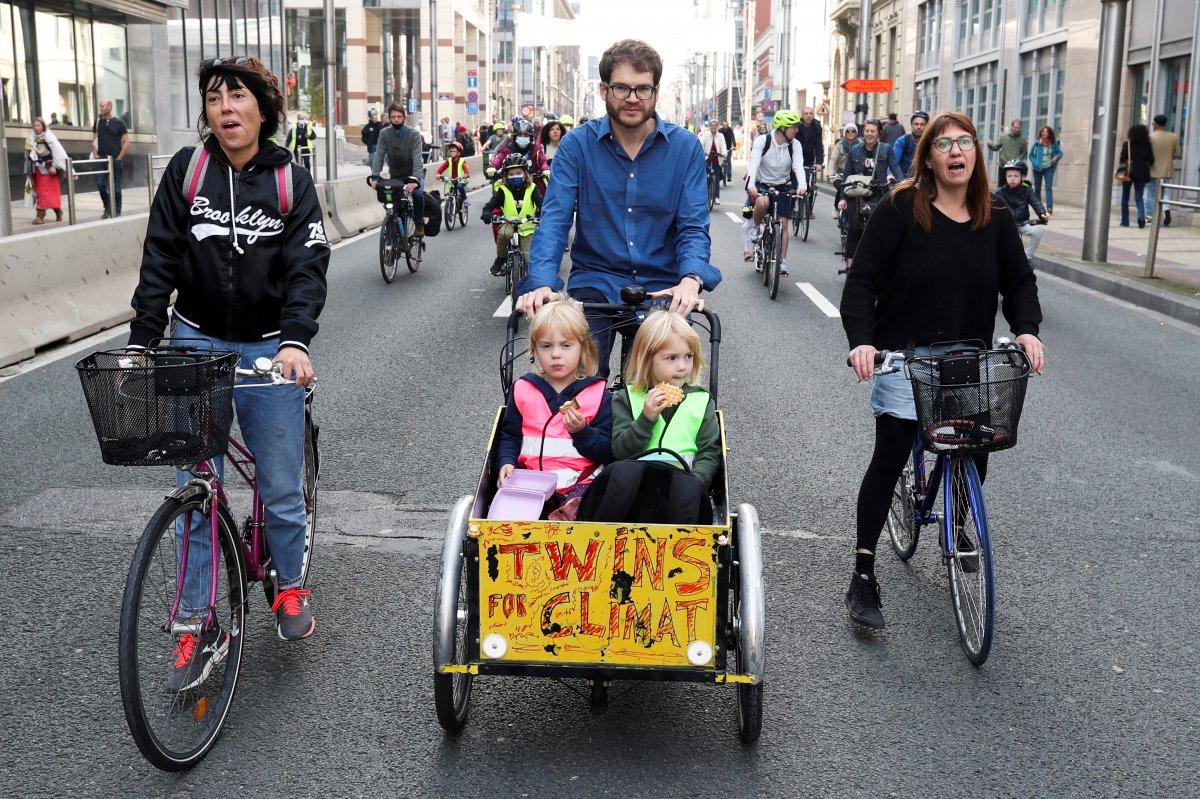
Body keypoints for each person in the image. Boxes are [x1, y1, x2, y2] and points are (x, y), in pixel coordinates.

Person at [129, 57, 331, 677]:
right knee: (199, 494)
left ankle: (289, 584)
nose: (226, 108)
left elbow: (306, 269)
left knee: (278, 487)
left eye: (238, 97)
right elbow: (160, 253)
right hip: (195, 341)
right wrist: (145, 338)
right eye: (215, 99)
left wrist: (296, 341)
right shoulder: (187, 172)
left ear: (262, 110)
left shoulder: (291, 183)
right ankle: (194, 615)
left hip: (270, 348)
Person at [840, 111, 1045, 630]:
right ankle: (864, 573)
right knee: (890, 453)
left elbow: (1019, 283)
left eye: (966, 143)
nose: (956, 152)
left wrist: (1026, 329)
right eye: (944, 144)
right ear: (928, 157)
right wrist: (863, 342)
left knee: (976, 445)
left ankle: (959, 514)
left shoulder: (994, 217)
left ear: (977, 155)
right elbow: (862, 282)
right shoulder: (900, 210)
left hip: (968, 356)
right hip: (904, 356)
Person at [517, 39, 720, 377]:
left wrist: (690, 279)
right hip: (595, 279)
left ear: (656, 91)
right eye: (622, 88)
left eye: (643, 89)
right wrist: (541, 283)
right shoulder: (576, 146)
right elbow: (554, 220)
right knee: (576, 380)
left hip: (661, 284)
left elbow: (693, 226)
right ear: (603, 89)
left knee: (663, 390)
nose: (632, 99)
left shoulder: (684, 148)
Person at [496, 299, 612, 511]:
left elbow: (608, 451)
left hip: (580, 482)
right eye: (546, 346)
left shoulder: (598, 394)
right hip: (529, 480)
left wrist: (582, 432)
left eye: (566, 346)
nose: (556, 354)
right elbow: (510, 435)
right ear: (535, 350)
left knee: (594, 495)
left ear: (582, 348)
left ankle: (570, 511)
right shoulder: (523, 389)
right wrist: (506, 461)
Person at [611, 310, 721, 491]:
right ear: (647, 360)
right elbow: (621, 452)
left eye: (688, 356)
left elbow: (709, 452)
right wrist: (646, 419)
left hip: (686, 483)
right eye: (672, 358)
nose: (682, 367)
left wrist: (696, 483)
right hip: (636, 485)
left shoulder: (700, 401)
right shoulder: (626, 399)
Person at [743, 109, 808, 273]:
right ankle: (756, 227)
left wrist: (802, 185)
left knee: (783, 223)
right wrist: (751, 184)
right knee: (762, 202)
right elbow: (754, 164)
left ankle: (781, 261)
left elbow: (798, 166)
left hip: (783, 184)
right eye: (793, 127)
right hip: (761, 183)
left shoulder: (795, 145)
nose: (797, 130)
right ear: (782, 128)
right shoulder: (762, 141)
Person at [836, 119, 902, 268]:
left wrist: (903, 186)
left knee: (880, 227)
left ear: (879, 133)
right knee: (854, 227)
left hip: (879, 192)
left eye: (872, 131)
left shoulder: (886, 149)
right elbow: (847, 175)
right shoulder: (855, 150)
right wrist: (843, 198)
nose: (869, 134)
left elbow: (896, 170)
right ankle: (850, 265)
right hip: (857, 192)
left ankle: (879, 261)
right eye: (866, 131)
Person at [370, 102, 427, 237]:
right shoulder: (384, 133)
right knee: (392, 201)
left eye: (399, 116)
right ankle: (393, 231)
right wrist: (375, 176)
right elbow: (379, 155)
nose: (396, 119)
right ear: (389, 118)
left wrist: (415, 180)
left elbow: (417, 158)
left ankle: (419, 222)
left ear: (404, 118)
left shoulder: (413, 134)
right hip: (396, 175)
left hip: (413, 174)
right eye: (393, 116)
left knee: (418, 195)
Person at [480, 153, 543, 276]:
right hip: (509, 223)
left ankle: (532, 280)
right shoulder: (503, 190)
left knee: (528, 258)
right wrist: (486, 212)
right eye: (511, 174)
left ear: (525, 173)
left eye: (519, 173)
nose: (515, 176)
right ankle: (500, 259)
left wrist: (545, 214)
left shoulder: (532, 188)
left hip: (527, 226)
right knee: (504, 234)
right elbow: (491, 204)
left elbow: (542, 204)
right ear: (506, 176)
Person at [994, 160, 1049, 261]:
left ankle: (1027, 258)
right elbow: (993, 208)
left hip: (1023, 224)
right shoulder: (1000, 192)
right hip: (1008, 226)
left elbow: (1036, 202)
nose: (1012, 179)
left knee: (1039, 231)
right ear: (1005, 177)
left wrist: (1043, 213)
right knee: (1011, 246)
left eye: (1016, 176)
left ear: (1023, 177)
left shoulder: (1027, 190)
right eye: (1009, 176)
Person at [91, 99, 129, 218]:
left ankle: (117, 211)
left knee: (116, 188)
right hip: (101, 159)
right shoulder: (97, 122)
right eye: (100, 106)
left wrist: (119, 158)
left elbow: (127, 142)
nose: (100, 108)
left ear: (109, 107)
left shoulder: (119, 123)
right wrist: (95, 155)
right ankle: (107, 207)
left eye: (102, 106)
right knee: (101, 184)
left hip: (115, 159)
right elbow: (94, 140)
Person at [25, 117, 67, 224]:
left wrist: (54, 166)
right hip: (37, 169)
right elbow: (27, 155)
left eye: (38, 125)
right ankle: (42, 214)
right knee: (40, 192)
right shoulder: (30, 138)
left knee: (48, 193)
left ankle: (54, 211)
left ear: (43, 126)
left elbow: (58, 152)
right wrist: (28, 172)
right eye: (34, 125)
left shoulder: (49, 137)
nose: (36, 127)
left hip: (49, 169)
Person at [1118, 123, 1154, 228]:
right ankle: (1141, 218)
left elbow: (1122, 159)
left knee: (1125, 197)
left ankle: (1125, 221)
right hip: (1141, 173)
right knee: (1139, 197)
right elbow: (1151, 160)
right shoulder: (1147, 145)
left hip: (1128, 172)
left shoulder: (1127, 144)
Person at [1149, 113, 1182, 226]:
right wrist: (1169, 155)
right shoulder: (1173, 136)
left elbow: (1147, 153)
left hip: (1153, 168)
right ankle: (1166, 210)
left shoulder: (1151, 137)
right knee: (1165, 192)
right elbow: (1178, 153)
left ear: (1156, 124)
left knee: (1152, 193)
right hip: (1167, 168)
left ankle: (1151, 216)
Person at [1027, 125, 1062, 214]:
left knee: (1048, 187)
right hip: (1037, 168)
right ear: (1041, 133)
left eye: (1046, 132)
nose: (1044, 133)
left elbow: (1060, 153)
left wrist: (1056, 157)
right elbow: (1031, 155)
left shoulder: (1053, 144)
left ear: (1049, 134)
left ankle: (1049, 207)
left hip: (1049, 168)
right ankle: (1038, 207)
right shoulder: (1037, 144)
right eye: (1043, 131)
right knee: (1037, 189)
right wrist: (1035, 163)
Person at [795, 107, 825, 209]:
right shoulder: (797, 126)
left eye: (810, 113)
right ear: (802, 115)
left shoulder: (817, 127)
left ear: (813, 115)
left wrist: (819, 162)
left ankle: (808, 210)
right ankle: (792, 207)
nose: (808, 116)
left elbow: (819, 146)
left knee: (809, 184)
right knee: (795, 182)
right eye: (806, 113)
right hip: (796, 157)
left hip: (809, 159)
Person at [987, 119, 1027, 186]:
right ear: (1011, 126)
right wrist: (990, 145)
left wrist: (1017, 159)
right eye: (1015, 127)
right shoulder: (1004, 138)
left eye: (1018, 128)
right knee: (1001, 187)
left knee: (1012, 187)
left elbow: (1024, 152)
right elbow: (996, 148)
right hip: (1003, 166)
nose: (1017, 129)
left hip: (1014, 168)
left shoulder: (1022, 140)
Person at [698, 119, 728, 202]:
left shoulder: (721, 136)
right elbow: (701, 144)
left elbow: (723, 145)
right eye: (712, 125)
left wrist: (724, 154)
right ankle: (704, 195)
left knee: (717, 179)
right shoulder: (706, 135)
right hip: (707, 158)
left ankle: (716, 197)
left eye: (715, 125)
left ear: (717, 127)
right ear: (709, 127)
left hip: (717, 159)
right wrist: (700, 152)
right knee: (705, 177)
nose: (713, 127)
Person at [436, 139, 470, 211]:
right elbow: (443, 167)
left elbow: (466, 170)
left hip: (461, 179)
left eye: (454, 151)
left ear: (459, 152)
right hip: (452, 180)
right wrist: (438, 173)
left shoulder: (462, 161)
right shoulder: (449, 160)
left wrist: (466, 174)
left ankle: (465, 199)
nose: (452, 153)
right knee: (451, 192)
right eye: (451, 151)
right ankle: (451, 209)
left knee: (459, 187)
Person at [894, 110, 929, 177]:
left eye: (922, 124)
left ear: (927, 126)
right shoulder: (902, 141)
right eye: (916, 124)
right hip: (904, 181)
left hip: (925, 181)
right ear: (911, 125)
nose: (918, 127)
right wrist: (891, 174)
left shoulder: (932, 142)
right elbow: (894, 162)